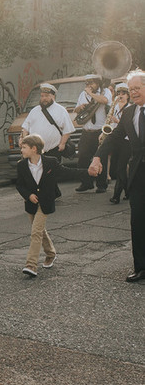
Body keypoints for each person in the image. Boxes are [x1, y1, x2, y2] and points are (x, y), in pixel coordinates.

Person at [89, 69, 145, 282]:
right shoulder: (130, 113)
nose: (133, 93)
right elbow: (113, 138)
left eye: (137, 88)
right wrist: (97, 158)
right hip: (139, 174)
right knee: (138, 221)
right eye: (131, 90)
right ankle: (141, 267)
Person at [16, 134, 84, 278]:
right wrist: (28, 195)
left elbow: (67, 172)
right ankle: (51, 254)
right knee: (40, 230)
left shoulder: (51, 162)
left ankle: (31, 265)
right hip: (31, 203)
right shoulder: (21, 165)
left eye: (24, 147)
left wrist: (87, 173)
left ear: (34, 149)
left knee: (35, 232)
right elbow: (20, 185)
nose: (21, 150)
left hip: (46, 201)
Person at [20, 82, 75, 198]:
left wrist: (63, 143)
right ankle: (53, 193)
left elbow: (68, 129)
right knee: (41, 173)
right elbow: (26, 126)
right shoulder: (34, 110)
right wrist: (24, 138)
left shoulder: (61, 110)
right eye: (42, 96)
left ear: (53, 96)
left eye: (46, 96)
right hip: (37, 150)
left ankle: (51, 193)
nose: (44, 98)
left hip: (54, 148)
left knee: (50, 172)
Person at [74, 74, 112, 194]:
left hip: (100, 131)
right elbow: (76, 110)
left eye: (92, 83)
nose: (89, 86)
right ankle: (86, 183)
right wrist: (80, 107)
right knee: (82, 157)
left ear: (98, 83)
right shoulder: (82, 94)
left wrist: (90, 94)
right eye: (87, 83)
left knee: (101, 158)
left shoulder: (105, 92)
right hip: (87, 131)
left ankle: (101, 184)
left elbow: (104, 101)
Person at [105, 83, 131, 205]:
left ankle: (116, 196)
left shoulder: (130, 107)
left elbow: (128, 126)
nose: (121, 96)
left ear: (128, 95)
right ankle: (129, 191)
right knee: (117, 168)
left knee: (121, 168)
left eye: (123, 93)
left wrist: (117, 121)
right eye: (119, 93)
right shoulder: (114, 107)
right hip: (116, 140)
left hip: (127, 141)